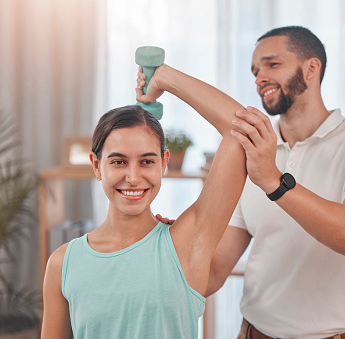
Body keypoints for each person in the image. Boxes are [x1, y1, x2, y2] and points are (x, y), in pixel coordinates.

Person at [40, 63, 270, 338]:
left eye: (147, 161)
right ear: (96, 165)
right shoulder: (63, 263)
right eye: (119, 162)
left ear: (164, 163)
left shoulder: (185, 243)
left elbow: (240, 125)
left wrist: (165, 78)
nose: (133, 177)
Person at [208, 26, 345, 339]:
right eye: (256, 71)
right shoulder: (252, 154)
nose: (259, 79)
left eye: (272, 64)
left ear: (312, 68)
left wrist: (273, 181)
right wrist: (165, 244)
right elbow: (214, 270)